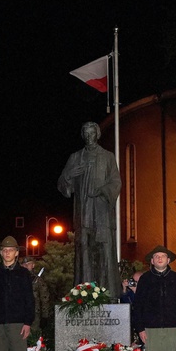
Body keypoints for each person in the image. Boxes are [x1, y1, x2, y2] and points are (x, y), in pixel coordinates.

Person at [58, 121, 122, 299]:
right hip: (83, 213)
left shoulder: (108, 157)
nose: (89, 136)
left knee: (104, 251)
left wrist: (102, 190)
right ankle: (84, 294)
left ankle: (108, 293)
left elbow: (116, 182)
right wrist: (70, 175)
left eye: (92, 133)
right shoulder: (75, 157)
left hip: (102, 214)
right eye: (85, 133)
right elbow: (63, 185)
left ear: (98, 134)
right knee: (84, 252)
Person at [20, 256, 51, 332]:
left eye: (28, 264)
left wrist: (45, 315)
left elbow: (44, 298)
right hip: (20, 314)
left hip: (34, 314)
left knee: (34, 337)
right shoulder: (17, 279)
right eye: (24, 264)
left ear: (33, 265)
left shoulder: (38, 281)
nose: (26, 266)